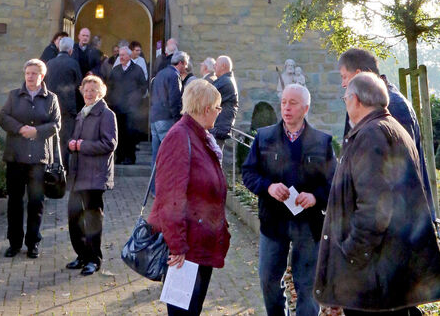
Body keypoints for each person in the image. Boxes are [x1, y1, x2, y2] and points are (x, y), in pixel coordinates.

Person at [315, 72, 440, 316]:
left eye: (345, 99)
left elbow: (374, 208)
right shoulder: (390, 128)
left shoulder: (371, 134)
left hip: (373, 274)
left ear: (357, 100)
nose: (346, 105)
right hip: (388, 267)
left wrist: (351, 256)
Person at [242, 83, 335, 316]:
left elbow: (335, 184)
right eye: (284, 102)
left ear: (306, 108)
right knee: (268, 280)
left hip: (308, 225)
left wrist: (315, 197)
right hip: (273, 223)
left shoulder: (322, 142)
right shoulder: (263, 137)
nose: (286, 108)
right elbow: (249, 173)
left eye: (293, 103)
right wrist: (268, 187)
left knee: (308, 287)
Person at [148, 78, 230, 316]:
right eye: (217, 108)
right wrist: (177, 246)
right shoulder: (179, 137)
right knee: (183, 312)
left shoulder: (199, 135)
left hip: (198, 243)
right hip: (185, 250)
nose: (218, 113)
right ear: (206, 109)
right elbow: (170, 197)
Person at [338, 46, 437, 218]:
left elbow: (400, 175)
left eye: (345, 77)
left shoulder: (393, 107)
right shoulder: (366, 106)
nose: (343, 84)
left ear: (360, 74)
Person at [0, 58, 61, 259]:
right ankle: (14, 243)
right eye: (28, 73)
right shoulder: (14, 96)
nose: (30, 77)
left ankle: (33, 242)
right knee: (15, 202)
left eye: (34, 73)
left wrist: (36, 131)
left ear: (42, 76)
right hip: (15, 157)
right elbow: (3, 117)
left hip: (38, 159)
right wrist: (19, 128)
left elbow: (56, 124)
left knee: (36, 202)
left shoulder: (51, 98)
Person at [65, 75, 117, 276]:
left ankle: (94, 260)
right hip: (78, 175)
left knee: (93, 220)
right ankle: (82, 255)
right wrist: (72, 144)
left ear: (100, 93)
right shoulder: (82, 113)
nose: (88, 93)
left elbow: (109, 144)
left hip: (95, 176)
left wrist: (81, 145)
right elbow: (77, 140)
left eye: (93, 90)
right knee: (74, 217)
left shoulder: (106, 114)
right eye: (86, 90)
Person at [44, 37, 82, 168]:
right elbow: (79, 84)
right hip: (67, 107)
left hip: (50, 106)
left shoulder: (49, 63)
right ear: (71, 50)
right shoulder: (73, 64)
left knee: (50, 138)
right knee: (65, 140)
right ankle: (63, 169)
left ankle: (48, 168)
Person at [107, 46, 146, 164]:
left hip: (131, 109)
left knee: (130, 133)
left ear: (129, 56)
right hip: (118, 108)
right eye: (120, 55)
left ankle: (130, 157)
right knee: (119, 133)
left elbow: (143, 87)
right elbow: (110, 86)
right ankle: (119, 157)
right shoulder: (116, 70)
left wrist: (136, 98)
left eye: (123, 55)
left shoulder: (137, 70)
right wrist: (111, 100)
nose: (121, 57)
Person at [149, 50, 186, 169]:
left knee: (156, 156)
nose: (186, 67)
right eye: (185, 64)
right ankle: (167, 186)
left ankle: (154, 187)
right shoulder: (174, 76)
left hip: (155, 117)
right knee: (170, 155)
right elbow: (175, 100)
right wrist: (178, 120)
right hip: (166, 119)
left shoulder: (160, 74)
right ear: (180, 63)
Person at [210, 55, 239, 168]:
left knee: (214, 164)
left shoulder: (225, 82)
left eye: (216, 65)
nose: (214, 67)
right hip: (218, 128)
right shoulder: (225, 80)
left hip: (218, 129)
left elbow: (207, 94)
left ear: (223, 66)